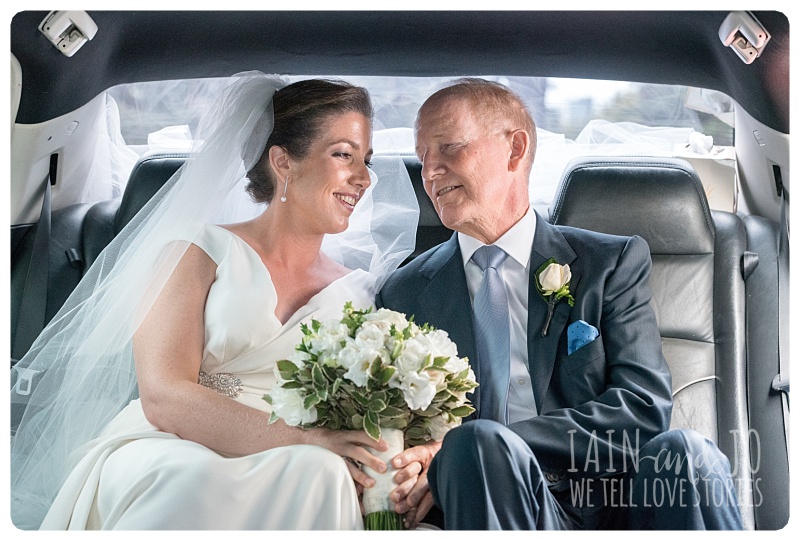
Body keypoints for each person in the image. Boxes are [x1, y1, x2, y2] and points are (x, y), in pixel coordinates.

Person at [10, 73, 419, 530]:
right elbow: (164, 395)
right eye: (343, 155)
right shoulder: (194, 252)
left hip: (305, 460)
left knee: (322, 473)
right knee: (191, 477)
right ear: (283, 162)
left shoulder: (360, 293)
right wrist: (306, 438)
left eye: (366, 160)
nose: (363, 178)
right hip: (174, 442)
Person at [377, 78, 744, 530]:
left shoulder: (609, 263)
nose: (429, 171)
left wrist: (509, 439)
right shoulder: (403, 292)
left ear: (514, 149)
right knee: (476, 444)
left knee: (685, 453)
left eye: (448, 147)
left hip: (616, 501)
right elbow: (397, 430)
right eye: (424, 156)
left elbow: (643, 409)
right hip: (490, 500)